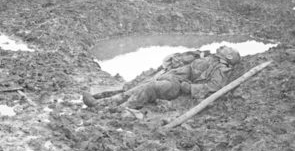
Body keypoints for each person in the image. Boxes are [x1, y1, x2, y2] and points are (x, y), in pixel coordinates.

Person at [83, 46, 241, 109]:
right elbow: (187, 61)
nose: (222, 47)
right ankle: (102, 103)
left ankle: (118, 109)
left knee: (150, 87)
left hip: (178, 86)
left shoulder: (221, 68)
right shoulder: (208, 57)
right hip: (173, 77)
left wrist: (190, 88)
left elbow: (214, 87)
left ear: (228, 56)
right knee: (140, 86)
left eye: (227, 48)